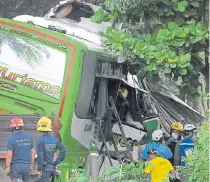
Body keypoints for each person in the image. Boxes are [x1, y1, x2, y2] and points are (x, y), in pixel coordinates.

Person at [35, 116, 66, 182]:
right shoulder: (54, 140)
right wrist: (57, 161)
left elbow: (40, 155)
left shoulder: (39, 141)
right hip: (52, 168)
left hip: (45, 169)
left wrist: (39, 169)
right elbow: (63, 150)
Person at [5, 117, 35, 182]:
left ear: (12, 128)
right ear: (22, 127)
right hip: (27, 166)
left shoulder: (11, 139)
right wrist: (32, 164)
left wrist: (7, 166)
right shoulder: (29, 137)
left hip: (15, 167)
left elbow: (9, 155)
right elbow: (33, 152)